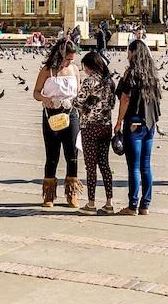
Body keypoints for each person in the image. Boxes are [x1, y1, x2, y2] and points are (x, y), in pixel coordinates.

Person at [114, 39, 162, 215]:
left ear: (134, 53)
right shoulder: (152, 74)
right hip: (150, 124)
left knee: (133, 167)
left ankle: (132, 205)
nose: (127, 55)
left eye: (129, 51)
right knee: (146, 166)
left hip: (134, 123)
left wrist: (119, 121)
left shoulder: (131, 73)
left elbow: (124, 99)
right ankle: (145, 205)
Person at [34, 39, 82, 208]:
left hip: (71, 113)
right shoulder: (47, 70)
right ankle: (49, 194)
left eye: (72, 60)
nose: (70, 62)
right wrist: (45, 99)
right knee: (52, 155)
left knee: (72, 155)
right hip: (51, 114)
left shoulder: (75, 70)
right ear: (60, 56)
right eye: (68, 59)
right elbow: (36, 92)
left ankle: (72, 193)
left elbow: (79, 91)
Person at [74, 51, 117, 215]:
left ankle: (91, 204)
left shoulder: (89, 81)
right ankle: (109, 203)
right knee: (105, 165)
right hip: (105, 126)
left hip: (90, 127)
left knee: (91, 166)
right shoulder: (109, 82)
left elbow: (79, 102)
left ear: (89, 66)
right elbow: (112, 104)